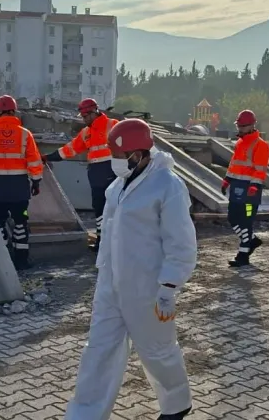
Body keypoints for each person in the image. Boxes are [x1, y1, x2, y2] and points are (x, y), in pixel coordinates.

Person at [65, 119, 197, 420]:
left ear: (138, 154)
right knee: (98, 351)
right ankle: (85, 414)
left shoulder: (167, 186)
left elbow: (181, 242)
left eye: (119, 155)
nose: (115, 161)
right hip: (110, 283)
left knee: (158, 350)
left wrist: (169, 286)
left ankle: (177, 403)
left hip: (148, 287)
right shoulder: (117, 186)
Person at [0, 95, 43, 270]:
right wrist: (36, 182)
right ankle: (21, 261)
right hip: (19, 185)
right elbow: (34, 161)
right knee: (20, 222)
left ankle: (3, 263)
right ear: (14, 111)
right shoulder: (25, 134)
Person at [42, 98, 119, 254]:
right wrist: (48, 157)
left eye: (86, 116)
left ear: (94, 112)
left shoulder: (113, 125)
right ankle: (101, 241)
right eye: (82, 117)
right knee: (99, 208)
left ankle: (117, 241)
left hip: (114, 172)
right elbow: (70, 150)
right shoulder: (86, 133)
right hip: (97, 174)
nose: (84, 120)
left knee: (116, 207)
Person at [220, 109, 269, 267]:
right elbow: (234, 164)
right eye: (239, 126)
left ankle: (243, 256)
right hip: (237, 188)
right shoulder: (240, 143)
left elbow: (260, 168)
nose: (240, 129)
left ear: (252, 125)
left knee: (245, 221)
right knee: (233, 218)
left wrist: (255, 186)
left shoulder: (260, 145)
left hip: (250, 191)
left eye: (243, 126)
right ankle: (252, 241)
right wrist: (227, 180)